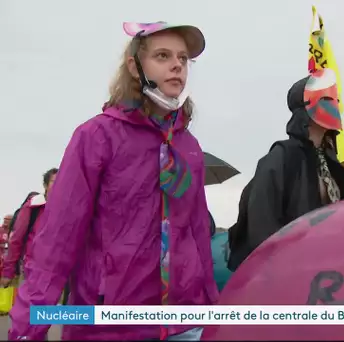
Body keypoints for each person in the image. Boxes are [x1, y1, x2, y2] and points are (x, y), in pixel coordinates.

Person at [8, 21, 218, 341]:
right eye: (162, 56)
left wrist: (213, 311)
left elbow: (198, 234)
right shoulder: (96, 136)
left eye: (183, 58)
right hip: (109, 322)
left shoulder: (188, 146)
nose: (177, 65)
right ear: (135, 67)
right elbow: (56, 241)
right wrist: (27, 329)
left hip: (183, 322)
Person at [228, 68, 344, 270]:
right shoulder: (282, 157)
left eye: (335, 99)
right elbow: (262, 221)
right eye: (327, 99)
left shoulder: (332, 163)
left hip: (326, 268)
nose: (335, 104)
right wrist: (278, 267)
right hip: (290, 270)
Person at [1, 168, 57, 286]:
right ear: (45, 185)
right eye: (54, 181)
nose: (58, 185)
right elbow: (16, 239)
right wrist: (8, 271)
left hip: (57, 271)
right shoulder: (32, 207)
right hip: (31, 268)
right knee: (28, 303)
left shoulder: (67, 209)